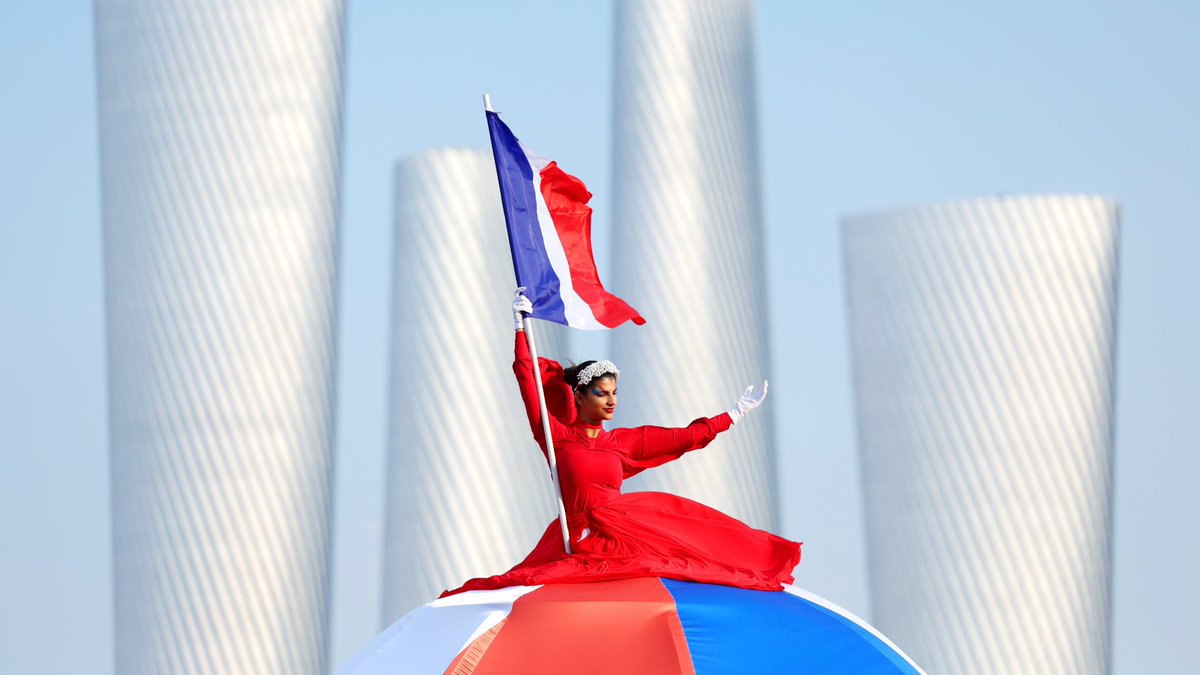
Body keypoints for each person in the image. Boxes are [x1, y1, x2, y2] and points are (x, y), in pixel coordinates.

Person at [442, 290, 801, 596]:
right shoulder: (556, 436)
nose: (611, 401)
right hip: (576, 535)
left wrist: (734, 414)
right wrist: (520, 327)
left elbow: (686, 438)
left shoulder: (624, 442)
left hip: (623, 533)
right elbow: (527, 379)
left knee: (689, 564)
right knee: (534, 586)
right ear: (580, 396)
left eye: (615, 393)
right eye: (602, 393)